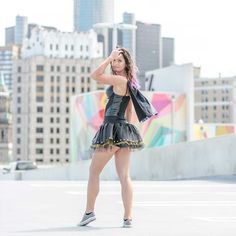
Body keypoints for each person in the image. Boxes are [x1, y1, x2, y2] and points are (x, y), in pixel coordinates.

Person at [78, 46, 158, 228]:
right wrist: (124, 133)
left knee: (93, 171)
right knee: (124, 176)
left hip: (112, 129)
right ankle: (127, 218)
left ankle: (89, 212)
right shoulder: (129, 83)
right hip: (123, 130)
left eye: (118, 60)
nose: (115, 63)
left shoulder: (119, 80)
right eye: (114, 60)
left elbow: (95, 76)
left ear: (126, 64)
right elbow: (129, 110)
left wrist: (106, 59)